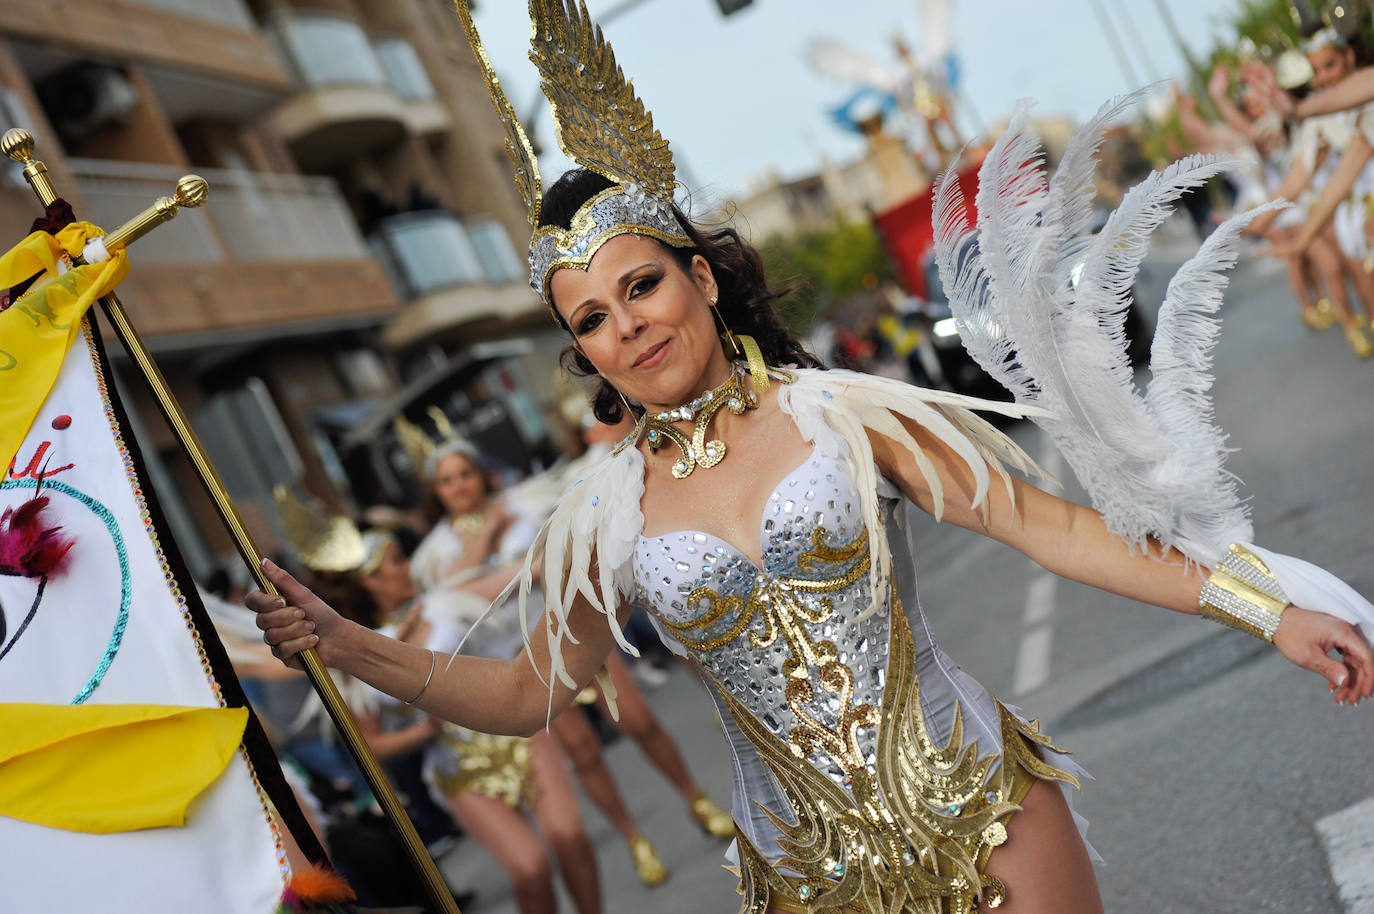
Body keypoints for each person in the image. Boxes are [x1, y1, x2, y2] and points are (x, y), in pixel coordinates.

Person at [251, 5, 1374, 912]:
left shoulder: (841, 413)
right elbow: (526, 689)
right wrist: (352, 643)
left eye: (640, 284)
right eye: (590, 318)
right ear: (580, 349)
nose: (627, 326)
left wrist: (1262, 607)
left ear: (699, 275)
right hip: (808, 881)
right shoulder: (606, 516)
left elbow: (1060, 531)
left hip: (981, 813)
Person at [403, 432, 734, 886]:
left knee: (636, 718)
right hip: (522, 661)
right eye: (446, 480)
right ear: (435, 491)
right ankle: (636, 839)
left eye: (464, 474)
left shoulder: (527, 504)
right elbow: (450, 597)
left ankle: (695, 798)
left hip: (572, 630)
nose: (459, 486)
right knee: (581, 753)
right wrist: (492, 537)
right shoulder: (435, 552)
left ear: (480, 473)